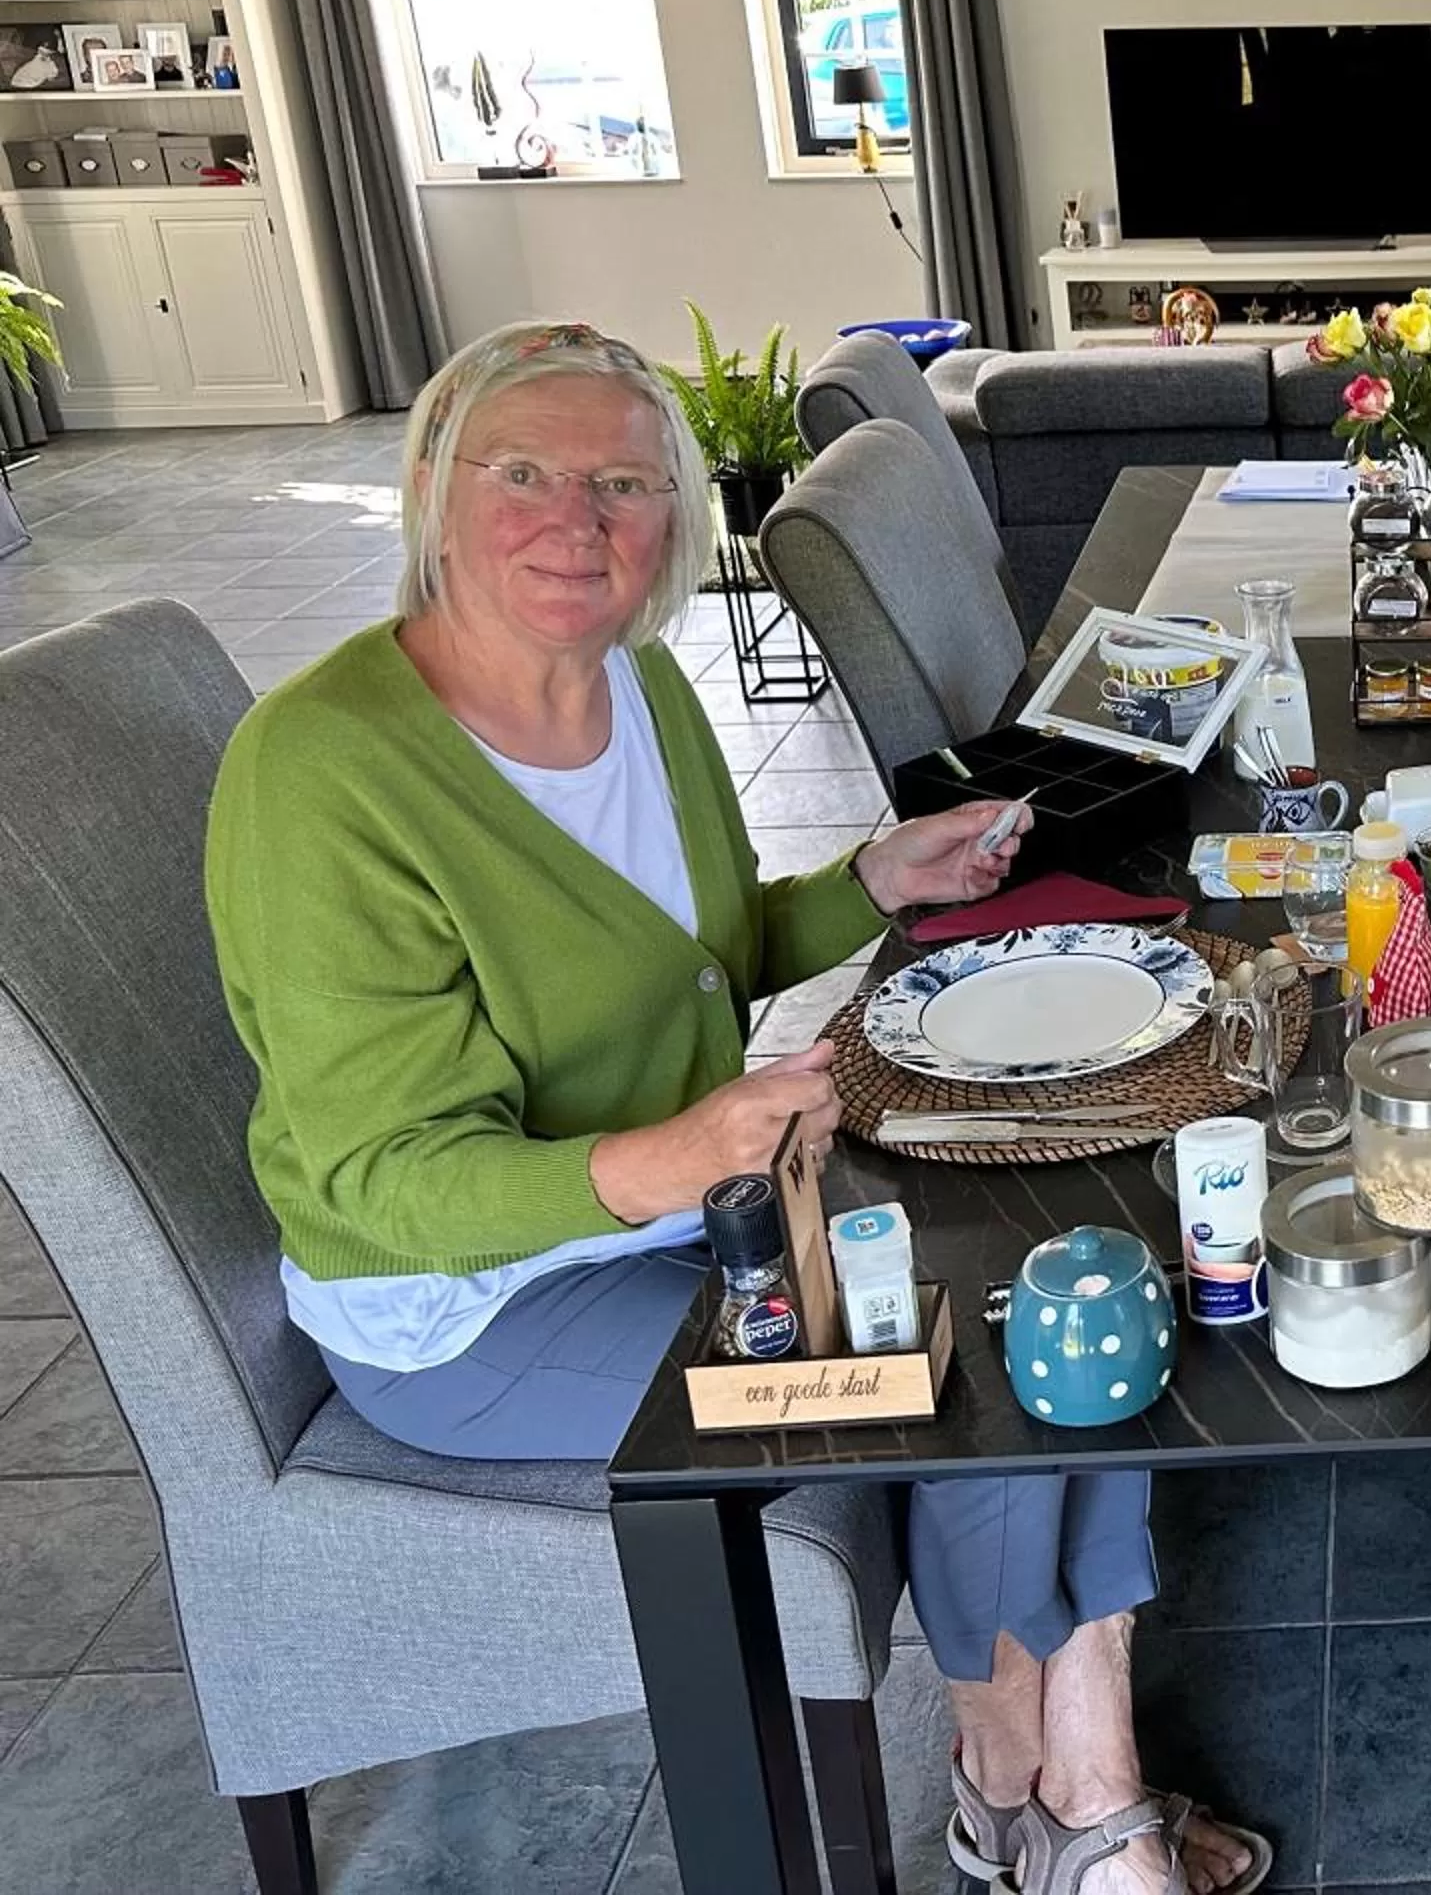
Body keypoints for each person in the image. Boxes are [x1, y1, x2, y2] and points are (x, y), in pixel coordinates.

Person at [206, 321, 1266, 1895]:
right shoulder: (324, 776)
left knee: (1075, 1251)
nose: (579, 522)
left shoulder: (637, 687)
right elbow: (383, 1183)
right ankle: (1025, 1772)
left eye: (626, 485)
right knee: (964, 1369)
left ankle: (1071, 1747)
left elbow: (705, 956)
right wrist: (683, 1155)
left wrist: (866, 882)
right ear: (432, 483)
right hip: (474, 1311)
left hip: (703, 1218)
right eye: (524, 473)